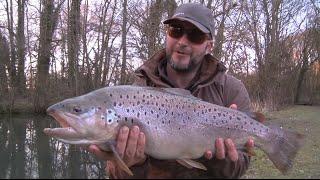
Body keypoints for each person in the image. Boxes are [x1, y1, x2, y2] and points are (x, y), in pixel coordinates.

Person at [88, 3, 259, 179]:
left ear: (209, 46)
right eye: (176, 30)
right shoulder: (135, 93)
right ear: (167, 34)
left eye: (195, 36)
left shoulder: (231, 90)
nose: (183, 41)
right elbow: (114, 174)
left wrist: (218, 160)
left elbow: (240, 167)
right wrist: (134, 165)